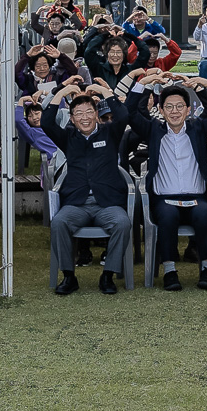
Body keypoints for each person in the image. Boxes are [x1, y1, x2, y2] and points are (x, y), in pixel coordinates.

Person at [126, 70, 207, 291]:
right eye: (169, 107)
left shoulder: (198, 129)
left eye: (179, 107)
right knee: (166, 216)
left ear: (187, 109)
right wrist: (144, 84)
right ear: (161, 110)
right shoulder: (153, 130)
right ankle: (170, 271)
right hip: (165, 198)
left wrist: (205, 85)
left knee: (204, 214)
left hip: (196, 197)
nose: (174, 111)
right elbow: (129, 112)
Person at [43, 78, 136, 295]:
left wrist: (104, 91)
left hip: (107, 203)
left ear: (96, 114)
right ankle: (69, 276)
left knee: (122, 223)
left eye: (88, 112)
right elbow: (47, 122)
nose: (84, 118)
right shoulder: (68, 137)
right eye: (79, 114)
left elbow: (123, 114)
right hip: (77, 203)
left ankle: (108, 276)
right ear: (72, 119)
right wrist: (62, 92)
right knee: (59, 223)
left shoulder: (110, 133)